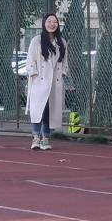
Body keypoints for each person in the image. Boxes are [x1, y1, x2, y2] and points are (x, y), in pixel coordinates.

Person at [25, 13, 68, 151]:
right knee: (38, 109)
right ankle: (36, 137)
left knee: (50, 110)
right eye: (49, 21)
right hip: (40, 80)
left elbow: (65, 62)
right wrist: (34, 74)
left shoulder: (61, 42)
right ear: (44, 23)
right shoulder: (36, 41)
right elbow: (30, 61)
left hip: (54, 81)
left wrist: (62, 73)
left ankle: (46, 138)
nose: (52, 24)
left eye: (54, 22)